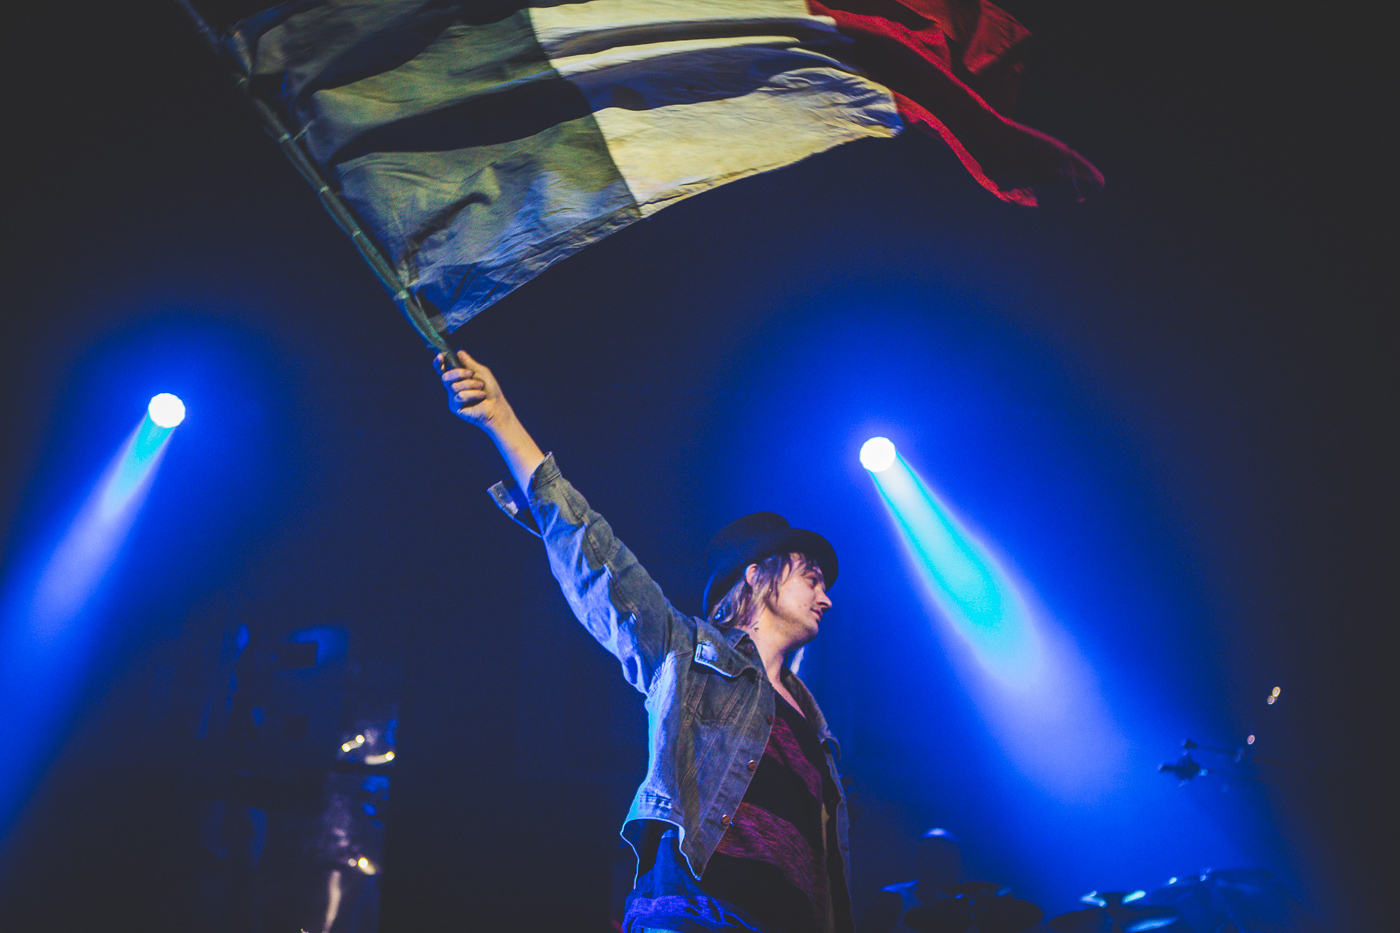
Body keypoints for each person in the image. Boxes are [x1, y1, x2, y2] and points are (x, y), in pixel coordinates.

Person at [437, 350, 853, 933]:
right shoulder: (691, 656)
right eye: (812, 578)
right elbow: (596, 558)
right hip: (701, 916)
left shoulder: (818, 730)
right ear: (756, 574)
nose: (826, 598)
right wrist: (502, 419)